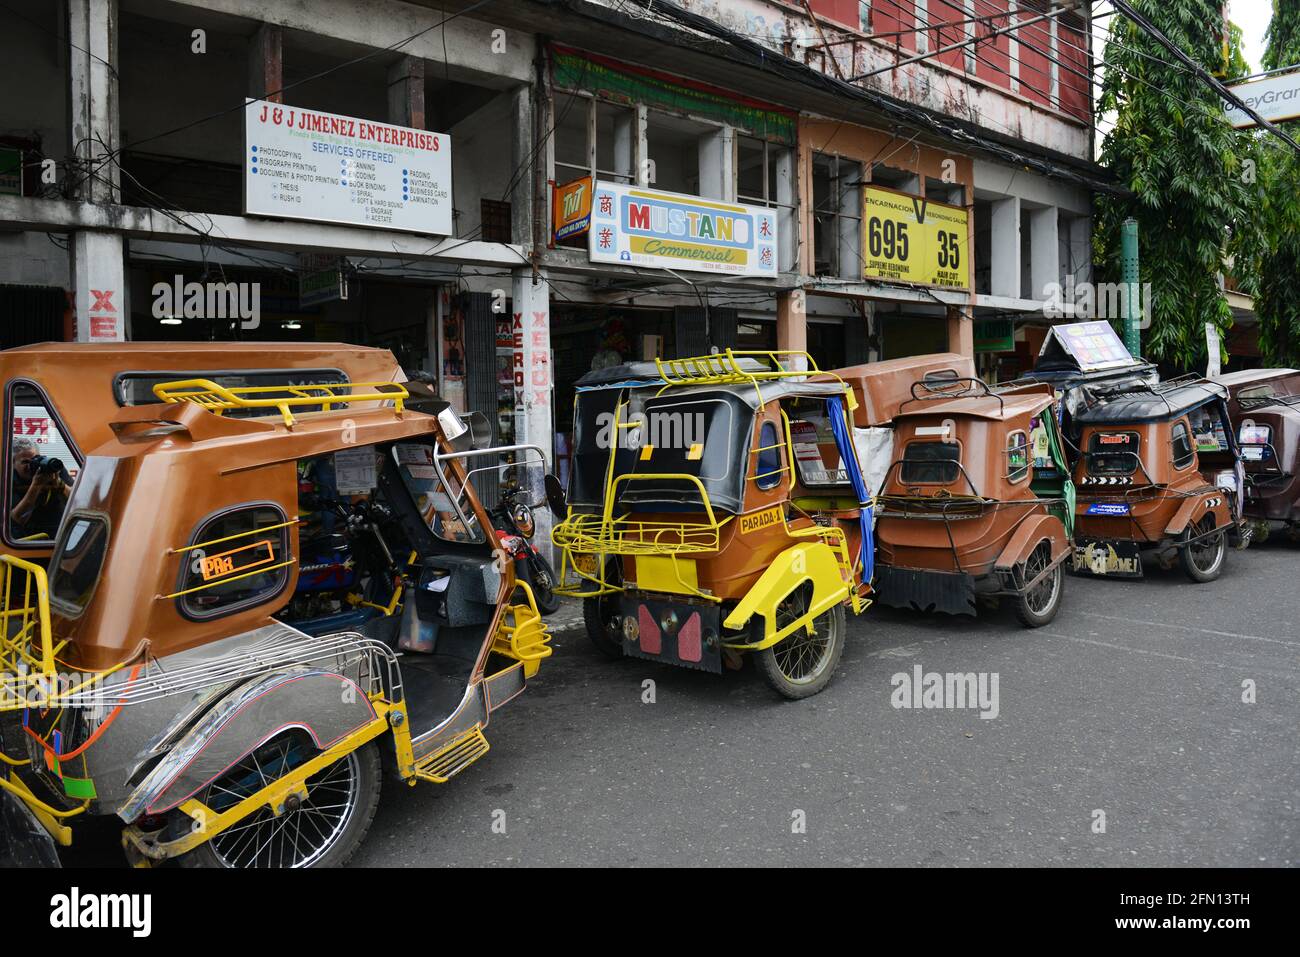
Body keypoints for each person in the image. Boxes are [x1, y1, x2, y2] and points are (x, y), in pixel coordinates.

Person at [10, 438, 71, 541]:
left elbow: (79, 500)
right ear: (13, 464)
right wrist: (36, 486)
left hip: (59, 536)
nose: (32, 465)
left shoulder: (53, 469)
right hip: (26, 541)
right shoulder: (8, 478)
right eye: (25, 462)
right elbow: (17, 519)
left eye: (35, 459)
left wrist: (60, 485)